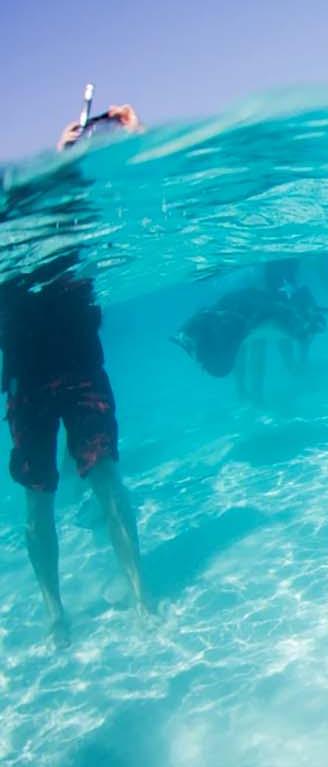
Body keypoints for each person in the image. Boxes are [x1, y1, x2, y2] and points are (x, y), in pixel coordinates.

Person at [3, 106, 152, 643]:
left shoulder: (76, 198)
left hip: (79, 363)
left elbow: (130, 190)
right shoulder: (13, 217)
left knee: (107, 476)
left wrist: (125, 136)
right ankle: (54, 615)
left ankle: (141, 598)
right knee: (38, 495)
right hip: (26, 372)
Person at [172, 263, 325, 407]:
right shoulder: (212, 326)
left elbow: (298, 326)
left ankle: (251, 393)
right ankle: (248, 393)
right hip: (243, 311)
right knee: (249, 340)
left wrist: (308, 324)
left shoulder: (261, 320)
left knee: (290, 330)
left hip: (253, 312)